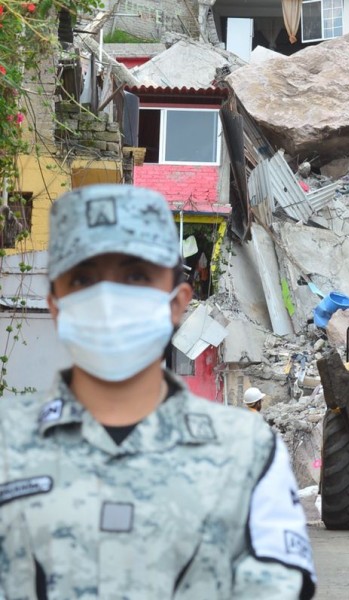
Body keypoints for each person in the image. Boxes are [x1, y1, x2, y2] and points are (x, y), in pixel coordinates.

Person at [0, 184, 316, 598]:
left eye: (135, 276)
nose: (109, 299)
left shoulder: (248, 454)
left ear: (176, 303)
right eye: (84, 278)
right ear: (56, 304)